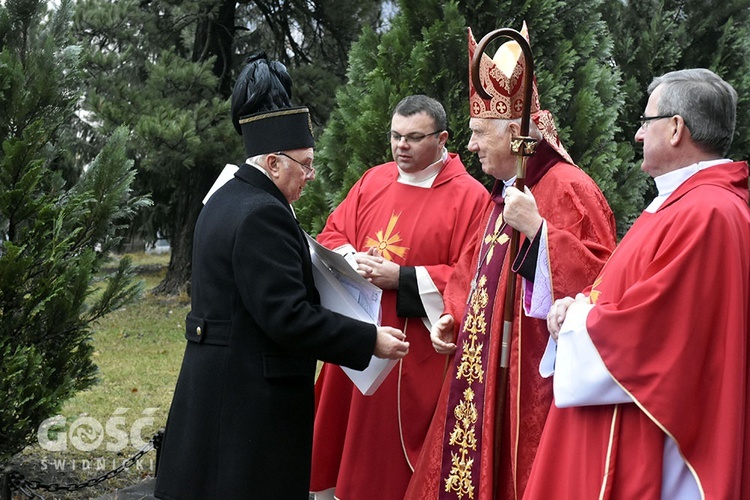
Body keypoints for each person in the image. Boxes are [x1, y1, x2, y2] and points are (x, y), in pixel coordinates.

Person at [153, 54, 410, 500]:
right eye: (305, 164)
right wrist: (369, 340)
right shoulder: (263, 216)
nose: (310, 176)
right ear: (273, 163)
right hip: (249, 403)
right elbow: (287, 317)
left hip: (219, 388)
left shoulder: (226, 197)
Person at [405, 25, 618, 500]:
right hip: (485, 378)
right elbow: (473, 270)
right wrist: (450, 315)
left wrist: (541, 233)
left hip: (530, 388)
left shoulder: (569, 189)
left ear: (517, 133)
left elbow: (603, 283)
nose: (472, 144)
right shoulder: (503, 193)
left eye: (480, 133)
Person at [525, 68, 750, 499]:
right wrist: (577, 305)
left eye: (646, 123)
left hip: (657, 437)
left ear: (676, 127)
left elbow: (658, 333)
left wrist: (577, 319)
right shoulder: (684, 202)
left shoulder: (707, 213)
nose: (638, 136)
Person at [309, 95, 490, 500]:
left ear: (442, 138)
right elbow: (332, 233)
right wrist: (351, 259)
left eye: (413, 137)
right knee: (342, 439)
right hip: (358, 336)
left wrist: (404, 278)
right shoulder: (373, 180)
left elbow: (472, 275)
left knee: (384, 464)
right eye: (395, 136)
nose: (400, 146)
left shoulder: (470, 197)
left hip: (411, 351)